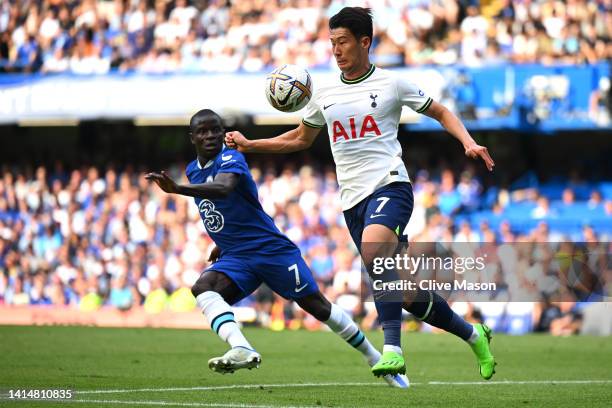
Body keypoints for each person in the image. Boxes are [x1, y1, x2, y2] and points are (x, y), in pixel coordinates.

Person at [225, 7, 496, 380]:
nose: (336, 50)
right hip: (352, 201)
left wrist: (468, 142)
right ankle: (473, 334)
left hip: (391, 187)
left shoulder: (392, 84)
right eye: (332, 43)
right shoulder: (325, 93)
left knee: (373, 251)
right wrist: (249, 144)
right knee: (403, 293)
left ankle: (392, 350)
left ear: (364, 42)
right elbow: (300, 138)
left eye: (342, 42)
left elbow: (442, 111)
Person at [145, 109, 409, 388]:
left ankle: (373, 356)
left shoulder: (231, 157)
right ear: (192, 137)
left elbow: (224, 189)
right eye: (203, 131)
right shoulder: (192, 170)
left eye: (215, 130)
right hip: (237, 255)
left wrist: (178, 190)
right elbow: (218, 210)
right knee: (203, 288)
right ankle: (242, 347)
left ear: (223, 133)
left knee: (317, 306)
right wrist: (220, 243)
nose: (210, 136)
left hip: (270, 250)